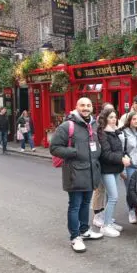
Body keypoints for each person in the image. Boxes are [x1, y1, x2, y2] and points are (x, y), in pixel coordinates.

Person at [50, 97, 103, 253]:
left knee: (86, 204)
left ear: (92, 107)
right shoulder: (67, 126)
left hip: (91, 171)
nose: (85, 108)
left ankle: (84, 230)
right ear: (76, 107)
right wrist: (75, 152)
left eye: (88, 105)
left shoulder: (93, 124)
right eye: (82, 105)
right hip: (74, 173)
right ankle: (75, 237)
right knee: (75, 206)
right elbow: (54, 148)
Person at [97, 108, 131, 237]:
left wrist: (125, 156)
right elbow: (106, 154)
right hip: (106, 169)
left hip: (115, 168)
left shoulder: (114, 132)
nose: (113, 119)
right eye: (110, 117)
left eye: (115, 117)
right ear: (105, 119)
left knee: (110, 197)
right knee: (113, 197)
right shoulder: (102, 133)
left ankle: (109, 220)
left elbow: (119, 149)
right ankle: (105, 226)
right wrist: (121, 159)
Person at [91, 102, 116, 227]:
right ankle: (97, 214)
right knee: (99, 190)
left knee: (108, 191)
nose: (110, 112)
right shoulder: (97, 125)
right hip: (99, 162)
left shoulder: (113, 126)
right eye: (108, 111)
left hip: (108, 164)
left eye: (112, 111)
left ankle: (105, 215)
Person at [121, 112, 137, 224]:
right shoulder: (123, 133)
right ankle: (131, 210)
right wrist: (123, 169)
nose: (136, 121)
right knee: (130, 189)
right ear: (129, 120)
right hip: (130, 165)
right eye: (134, 119)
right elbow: (120, 151)